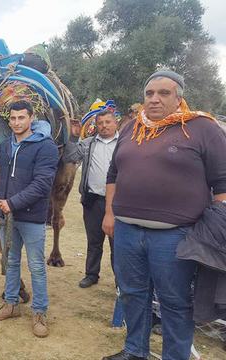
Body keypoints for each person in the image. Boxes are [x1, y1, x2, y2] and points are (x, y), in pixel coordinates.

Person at [101, 70, 226, 360]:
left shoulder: (201, 127)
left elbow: (222, 181)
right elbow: (113, 173)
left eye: (164, 93)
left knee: (174, 300)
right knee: (132, 293)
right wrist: (109, 212)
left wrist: (218, 223)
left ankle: (175, 356)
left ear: (179, 97)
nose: (154, 99)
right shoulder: (132, 127)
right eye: (149, 93)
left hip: (176, 234)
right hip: (127, 230)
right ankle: (135, 351)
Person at [0, 100, 58, 338]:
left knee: (37, 267)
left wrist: (11, 203)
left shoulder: (45, 147)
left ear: (31, 118)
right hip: (9, 218)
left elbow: (42, 185)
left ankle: (39, 312)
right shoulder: (7, 145)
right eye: (14, 118)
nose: (17, 123)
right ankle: (11, 304)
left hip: (31, 218)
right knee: (11, 262)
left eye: (22, 118)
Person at [63, 109, 118, 288]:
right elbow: (69, 157)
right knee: (94, 241)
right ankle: (91, 274)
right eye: (100, 123)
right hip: (93, 201)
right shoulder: (88, 144)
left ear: (115, 122)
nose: (104, 126)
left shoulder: (124, 145)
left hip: (117, 204)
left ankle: (121, 279)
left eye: (107, 122)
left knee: (117, 244)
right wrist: (73, 138)